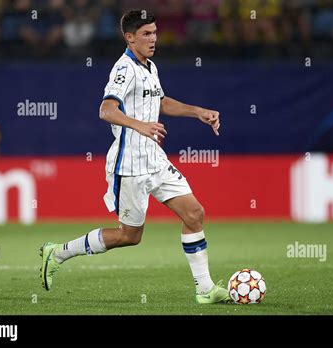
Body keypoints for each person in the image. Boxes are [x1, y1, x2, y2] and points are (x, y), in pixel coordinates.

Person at [39, 9, 228, 304]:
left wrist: (197, 112)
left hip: (156, 159)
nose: (154, 39)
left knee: (194, 214)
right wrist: (140, 125)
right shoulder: (123, 70)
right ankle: (59, 252)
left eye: (154, 32)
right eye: (146, 34)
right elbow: (106, 110)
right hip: (131, 165)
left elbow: (160, 101)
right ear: (129, 38)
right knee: (129, 236)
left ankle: (205, 290)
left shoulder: (149, 67)